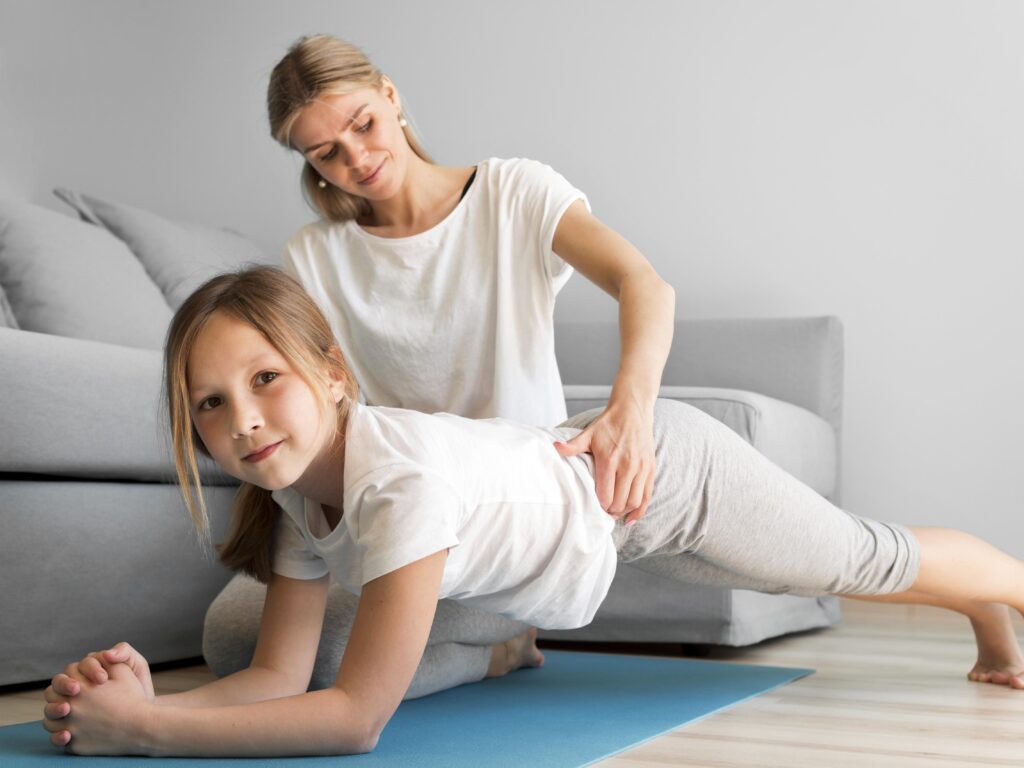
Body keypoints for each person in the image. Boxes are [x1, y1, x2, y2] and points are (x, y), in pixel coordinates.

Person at [42, 268, 1024, 757]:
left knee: (855, 559)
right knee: (239, 639)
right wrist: (140, 701)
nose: (243, 421)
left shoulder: (397, 480)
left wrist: (147, 735)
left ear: (333, 375)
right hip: (564, 525)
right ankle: (504, 647)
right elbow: (275, 673)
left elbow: (352, 723)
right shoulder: (297, 490)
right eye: (210, 405)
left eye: (266, 380)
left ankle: (1003, 589)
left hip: (656, 486)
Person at [201, 31, 678, 701]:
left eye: (364, 124)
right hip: (396, 512)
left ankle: (491, 648)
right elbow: (319, 401)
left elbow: (644, 284)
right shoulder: (313, 254)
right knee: (230, 637)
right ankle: (480, 651)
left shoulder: (513, 192)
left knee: (327, 657)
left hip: (505, 518)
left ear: (391, 97)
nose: (358, 158)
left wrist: (631, 411)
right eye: (326, 153)